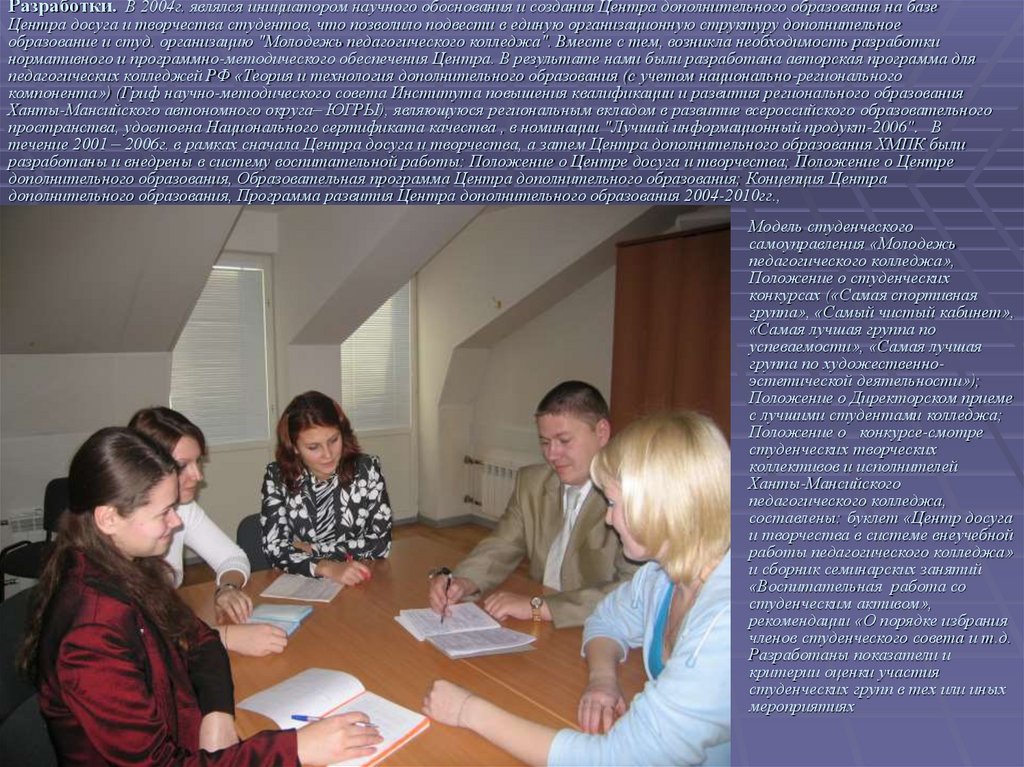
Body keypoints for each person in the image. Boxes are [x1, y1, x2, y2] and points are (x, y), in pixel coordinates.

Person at [18, 427, 383, 766]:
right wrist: (297, 749)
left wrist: (216, 711)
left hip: (187, 728)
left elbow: (200, 639)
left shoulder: (127, 569)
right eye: (164, 513)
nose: (176, 522)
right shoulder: (92, 631)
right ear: (108, 518)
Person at [423, 411, 731, 766]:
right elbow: (606, 618)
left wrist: (468, 710)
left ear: (661, 505)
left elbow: (618, 759)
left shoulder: (725, 622)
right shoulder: (659, 576)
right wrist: (602, 678)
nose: (609, 518)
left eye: (614, 504)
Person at [428, 381, 636, 628]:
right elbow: (501, 546)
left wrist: (541, 607)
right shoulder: (532, 484)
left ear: (601, 433)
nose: (551, 455)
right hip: (538, 623)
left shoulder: (632, 495)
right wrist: (463, 582)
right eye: (545, 442)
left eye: (564, 440)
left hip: (601, 628)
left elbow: (633, 591)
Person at [129, 406, 287, 658]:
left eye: (198, 462)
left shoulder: (182, 509)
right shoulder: (124, 531)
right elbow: (135, 637)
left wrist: (227, 588)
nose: (198, 475)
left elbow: (232, 557)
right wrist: (223, 636)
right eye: (182, 465)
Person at [261, 391, 392, 585]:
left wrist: (314, 549)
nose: (328, 454)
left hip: (358, 579)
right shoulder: (277, 476)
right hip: (302, 582)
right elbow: (274, 550)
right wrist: (327, 567)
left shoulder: (367, 470)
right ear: (294, 447)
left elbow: (380, 544)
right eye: (313, 447)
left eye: (333, 440)